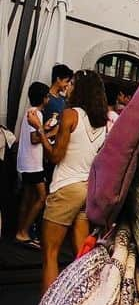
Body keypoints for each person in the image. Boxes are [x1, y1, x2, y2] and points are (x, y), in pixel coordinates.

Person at [40, 70, 108, 293]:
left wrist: (40, 132)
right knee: (81, 256)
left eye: (72, 84)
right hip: (85, 188)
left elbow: (55, 156)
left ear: (81, 88)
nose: (68, 88)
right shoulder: (102, 122)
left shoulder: (70, 114)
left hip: (66, 187)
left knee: (50, 253)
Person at [13, 82, 50, 249]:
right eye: (47, 96)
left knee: (27, 198)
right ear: (43, 98)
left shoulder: (30, 112)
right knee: (42, 198)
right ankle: (24, 232)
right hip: (33, 164)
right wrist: (52, 131)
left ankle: (20, 231)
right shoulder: (36, 114)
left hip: (25, 162)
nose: (49, 99)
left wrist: (45, 127)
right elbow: (35, 139)